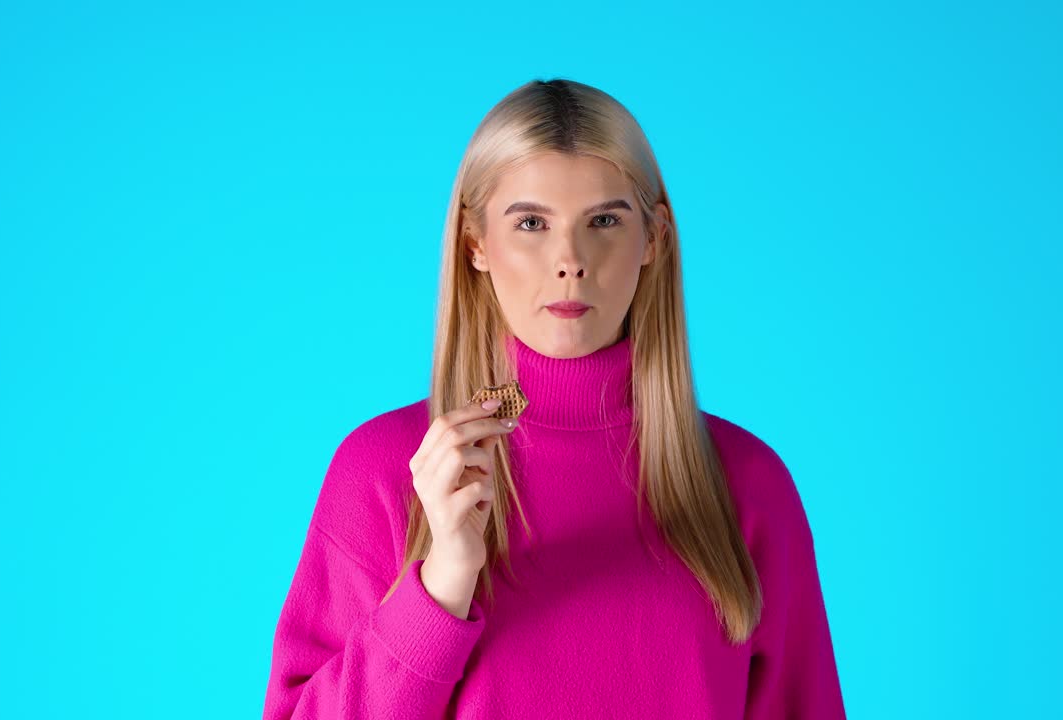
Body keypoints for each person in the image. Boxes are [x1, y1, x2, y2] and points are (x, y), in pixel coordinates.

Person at [262, 77, 847, 719]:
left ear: (654, 238)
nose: (570, 259)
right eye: (532, 223)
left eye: (604, 221)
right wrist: (441, 584)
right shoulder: (385, 469)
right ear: (476, 245)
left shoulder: (748, 483)